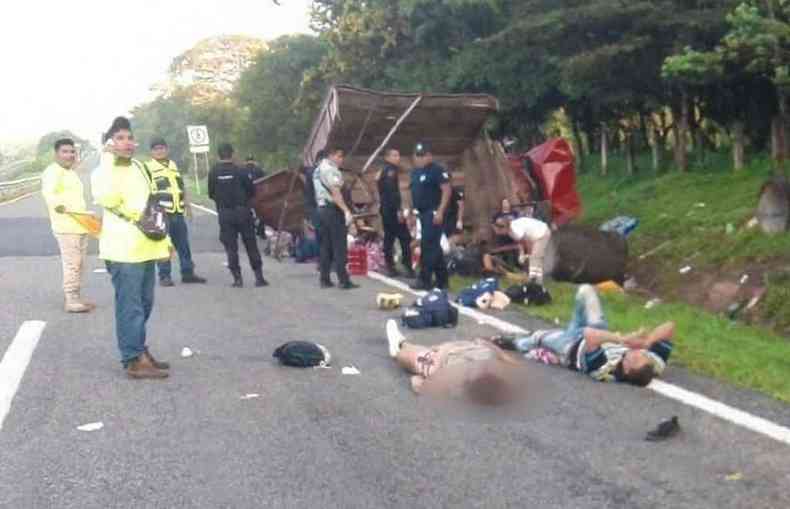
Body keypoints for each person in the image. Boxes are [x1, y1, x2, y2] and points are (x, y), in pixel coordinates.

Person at [91, 117, 171, 379]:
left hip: (146, 245)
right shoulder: (103, 170)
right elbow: (107, 197)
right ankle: (133, 359)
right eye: (119, 138)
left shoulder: (139, 166)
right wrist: (106, 160)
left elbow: (151, 203)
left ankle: (138, 348)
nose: (126, 143)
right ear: (109, 144)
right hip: (122, 249)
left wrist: (165, 240)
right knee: (131, 306)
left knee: (145, 303)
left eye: (129, 138)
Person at [494, 285, 675, 386]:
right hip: (599, 332)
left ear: (627, 369)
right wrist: (647, 342)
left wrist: (623, 339)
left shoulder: (605, 370)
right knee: (587, 291)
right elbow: (670, 326)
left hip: (571, 347)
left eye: (636, 358)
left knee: (537, 339)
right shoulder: (653, 364)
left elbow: (590, 336)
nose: (639, 353)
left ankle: (511, 342)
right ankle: (526, 339)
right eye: (643, 355)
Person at [385, 319, 521, 405]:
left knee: (408, 356)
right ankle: (402, 344)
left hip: (438, 360)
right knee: (423, 358)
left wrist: (422, 376)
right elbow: (487, 346)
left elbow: (422, 386)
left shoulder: (455, 377)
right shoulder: (487, 358)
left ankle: (400, 344)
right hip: (453, 353)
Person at [41, 138, 95, 313]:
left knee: (79, 264)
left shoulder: (71, 172)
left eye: (72, 152)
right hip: (65, 226)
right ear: (56, 154)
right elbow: (50, 195)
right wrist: (60, 207)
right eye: (65, 151)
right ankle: (71, 300)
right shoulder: (52, 172)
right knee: (72, 263)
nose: (69, 155)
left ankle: (77, 298)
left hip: (80, 224)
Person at [208, 143, 268, 288]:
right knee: (251, 244)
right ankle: (259, 277)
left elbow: (211, 193)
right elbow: (251, 191)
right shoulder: (240, 170)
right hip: (242, 212)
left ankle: (237, 279)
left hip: (225, 213)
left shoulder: (213, 172)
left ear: (218, 155)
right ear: (232, 154)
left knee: (231, 247)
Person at [147, 138, 206, 287]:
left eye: (162, 148)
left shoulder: (173, 165)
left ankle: (188, 273)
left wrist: (188, 206)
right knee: (163, 246)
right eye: (156, 149)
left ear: (167, 150)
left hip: (177, 212)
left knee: (183, 245)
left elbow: (181, 187)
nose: (160, 151)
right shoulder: (148, 168)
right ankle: (164, 276)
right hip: (160, 213)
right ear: (151, 152)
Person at [314, 147, 358, 289]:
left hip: (321, 210)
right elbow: (336, 193)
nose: (341, 159)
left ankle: (324, 279)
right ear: (331, 156)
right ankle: (343, 280)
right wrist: (346, 211)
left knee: (326, 246)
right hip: (333, 210)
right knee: (339, 246)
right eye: (339, 156)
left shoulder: (318, 168)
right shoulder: (330, 170)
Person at [409, 142, 451, 290]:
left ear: (429, 156)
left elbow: (446, 191)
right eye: (417, 156)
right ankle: (442, 280)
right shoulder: (415, 172)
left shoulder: (437, 170)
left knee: (428, 246)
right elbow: (414, 195)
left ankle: (424, 279)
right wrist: (413, 213)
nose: (419, 159)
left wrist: (440, 211)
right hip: (421, 213)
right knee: (433, 248)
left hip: (433, 212)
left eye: (423, 156)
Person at [377, 148, 415, 278]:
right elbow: (391, 192)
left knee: (389, 237)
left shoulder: (383, 170)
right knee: (405, 237)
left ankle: (390, 266)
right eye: (395, 155)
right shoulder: (391, 171)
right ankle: (408, 267)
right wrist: (398, 210)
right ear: (387, 157)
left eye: (398, 155)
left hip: (385, 209)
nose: (398, 158)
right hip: (392, 210)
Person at [492, 215, 551, 284]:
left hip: (541, 233)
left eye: (499, 230)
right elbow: (520, 243)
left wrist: (527, 255)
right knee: (535, 258)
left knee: (535, 257)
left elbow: (528, 243)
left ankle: (534, 281)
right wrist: (522, 253)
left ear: (505, 228)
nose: (499, 233)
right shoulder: (511, 230)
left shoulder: (515, 231)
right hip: (534, 235)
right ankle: (535, 280)